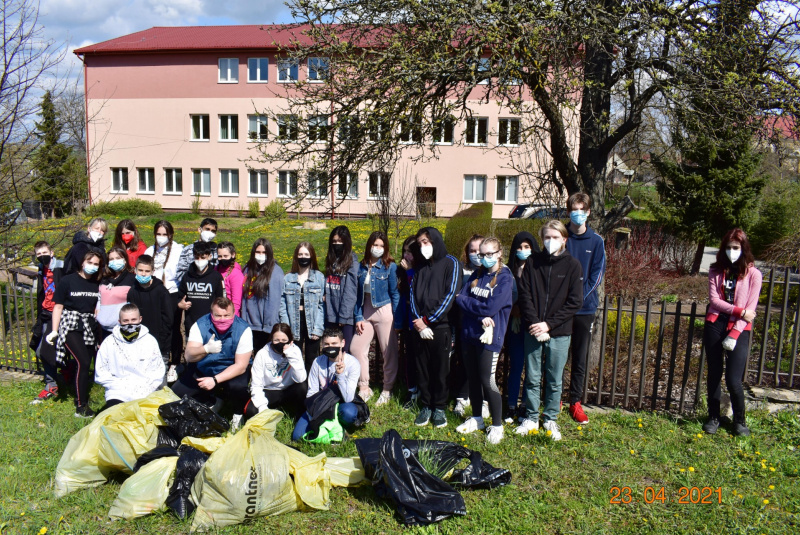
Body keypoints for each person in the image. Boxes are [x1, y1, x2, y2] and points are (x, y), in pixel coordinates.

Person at [515, 220, 582, 441]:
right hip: (533, 329)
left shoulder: (573, 266)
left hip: (559, 332)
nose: (550, 241)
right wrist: (536, 323)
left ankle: (550, 417)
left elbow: (574, 302)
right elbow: (524, 296)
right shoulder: (533, 262)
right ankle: (531, 417)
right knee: (532, 376)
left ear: (564, 239)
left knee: (554, 378)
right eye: (546, 237)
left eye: (555, 237)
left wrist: (549, 324)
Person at [455, 237, 514, 444]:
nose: (485, 258)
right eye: (482, 254)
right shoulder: (477, 274)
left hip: (489, 338)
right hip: (469, 334)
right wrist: (478, 312)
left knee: (487, 382)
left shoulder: (505, 279)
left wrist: (470, 304)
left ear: (499, 253)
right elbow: (459, 298)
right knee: (472, 379)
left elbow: (491, 307)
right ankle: (477, 418)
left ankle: (497, 425)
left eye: (490, 254)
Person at [703, 229, 761, 436]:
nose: (731, 251)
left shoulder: (754, 274)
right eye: (728, 247)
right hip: (715, 324)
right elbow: (715, 301)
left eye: (735, 248)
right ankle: (713, 417)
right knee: (714, 374)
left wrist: (735, 333)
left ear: (743, 249)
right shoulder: (716, 270)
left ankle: (740, 421)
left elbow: (750, 311)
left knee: (733, 379)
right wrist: (740, 311)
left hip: (740, 329)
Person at [172, 297, 253, 430]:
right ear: (211, 314)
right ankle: (211, 400)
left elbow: (241, 366)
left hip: (231, 370)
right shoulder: (200, 325)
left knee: (238, 387)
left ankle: (237, 413)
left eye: (227, 315)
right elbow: (189, 356)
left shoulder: (243, 329)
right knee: (177, 393)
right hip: (205, 367)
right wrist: (205, 349)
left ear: (234, 314)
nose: (222, 319)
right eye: (218, 315)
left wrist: (215, 380)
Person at [410, 227, 461, 428]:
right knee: (422, 368)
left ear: (436, 241)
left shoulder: (451, 263)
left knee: (441, 369)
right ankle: (426, 405)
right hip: (419, 327)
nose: (424, 246)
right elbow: (413, 297)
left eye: (427, 241)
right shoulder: (420, 267)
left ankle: (439, 407)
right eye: (420, 243)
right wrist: (418, 322)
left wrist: (428, 320)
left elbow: (449, 296)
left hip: (440, 327)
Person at [45, 251, 104, 417]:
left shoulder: (96, 283)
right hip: (70, 324)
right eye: (89, 262)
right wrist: (55, 330)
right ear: (82, 262)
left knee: (85, 363)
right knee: (83, 362)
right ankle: (81, 405)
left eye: (96, 264)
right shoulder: (67, 281)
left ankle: (80, 392)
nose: (92, 266)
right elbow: (58, 306)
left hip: (88, 325)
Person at [564, 192, 606, 425]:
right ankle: (555, 399)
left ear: (588, 212)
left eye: (582, 210)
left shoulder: (596, 241)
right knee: (557, 356)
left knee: (579, 358)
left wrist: (577, 299)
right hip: (560, 310)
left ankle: (575, 401)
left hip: (584, 309)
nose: (577, 214)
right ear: (568, 211)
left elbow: (596, 275)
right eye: (573, 210)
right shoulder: (560, 236)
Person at [351, 231, 400, 405]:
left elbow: (394, 293)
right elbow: (358, 296)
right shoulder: (361, 266)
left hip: (384, 310)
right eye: (375, 245)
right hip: (365, 311)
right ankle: (364, 387)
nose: (378, 248)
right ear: (369, 245)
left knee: (389, 351)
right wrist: (358, 316)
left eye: (381, 246)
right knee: (356, 348)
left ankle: (387, 389)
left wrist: (396, 318)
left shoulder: (389, 266)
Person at [291, 327, 362, 442]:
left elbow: (348, 397)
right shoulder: (318, 362)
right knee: (297, 437)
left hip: (342, 403)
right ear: (322, 345)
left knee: (349, 413)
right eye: (327, 344)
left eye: (334, 343)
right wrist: (314, 414)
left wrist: (341, 375)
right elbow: (312, 393)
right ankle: (329, 427)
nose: (330, 347)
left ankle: (341, 428)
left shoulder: (352, 363)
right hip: (321, 403)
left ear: (342, 343)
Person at [94, 304, 165, 413]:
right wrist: (117, 385)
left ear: (140, 319)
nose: (130, 324)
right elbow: (100, 371)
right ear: (119, 321)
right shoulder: (109, 342)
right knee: (117, 419)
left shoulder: (150, 341)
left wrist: (146, 387)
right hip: (117, 391)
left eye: (133, 320)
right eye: (125, 321)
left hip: (144, 390)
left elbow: (158, 370)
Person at [505, 231, 540, 422]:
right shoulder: (508, 271)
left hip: (532, 324)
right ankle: (511, 404)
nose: (523, 251)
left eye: (527, 247)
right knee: (516, 365)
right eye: (519, 247)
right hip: (514, 325)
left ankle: (526, 404)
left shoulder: (538, 269)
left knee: (532, 368)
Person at [144, 220, 184, 382]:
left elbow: (181, 273)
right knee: (156, 327)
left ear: (170, 235)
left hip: (172, 293)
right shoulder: (150, 250)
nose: (161, 237)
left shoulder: (178, 250)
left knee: (173, 328)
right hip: (154, 294)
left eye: (164, 234)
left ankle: (174, 363)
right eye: (158, 234)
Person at [243, 322, 308, 423]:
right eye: (276, 340)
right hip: (269, 390)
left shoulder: (295, 351)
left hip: (288, 390)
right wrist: (262, 407)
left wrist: (291, 355)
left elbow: (300, 378)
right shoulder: (262, 354)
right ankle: (272, 409)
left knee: (303, 387)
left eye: (284, 340)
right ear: (271, 340)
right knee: (251, 411)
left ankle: (299, 417)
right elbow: (256, 384)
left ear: (290, 341)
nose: (280, 343)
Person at [453, 234, 485, 418]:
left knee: (484, 365)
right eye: (472, 251)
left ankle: (481, 399)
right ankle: (462, 397)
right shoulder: (462, 270)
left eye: (478, 251)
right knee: (464, 363)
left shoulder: (494, 272)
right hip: (462, 324)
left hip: (484, 326)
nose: (475, 254)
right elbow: (458, 297)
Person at [280, 242, 326, 370]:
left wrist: (318, 328)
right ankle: (298, 387)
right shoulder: (288, 278)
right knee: (295, 358)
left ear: (311, 256)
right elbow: (282, 305)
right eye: (300, 254)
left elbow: (322, 306)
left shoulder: (319, 277)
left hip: (312, 322)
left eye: (306, 254)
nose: (303, 257)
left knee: (312, 359)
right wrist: (286, 328)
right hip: (294, 322)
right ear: (296, 256)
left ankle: (311, 387)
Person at [29, 241, 64, 404]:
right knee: (38, 349)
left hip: (58, 314)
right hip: (45, 313)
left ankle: (53, 383)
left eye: (44, 252)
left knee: (46, 350)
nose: (42, 256)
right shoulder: (40, 269)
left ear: (51, 252)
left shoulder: (61, 267)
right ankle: (53, 382)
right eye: (38, 254)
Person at [127, 255, 173, 369]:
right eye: (140, 270)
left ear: (153, 271)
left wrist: (161, 341)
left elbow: (168, 319)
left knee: (159, 376)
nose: (143, 274)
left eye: (147, 271)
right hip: (139, 342)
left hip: (159, 343)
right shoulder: (132, 291)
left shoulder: (161, 291)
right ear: (135, 270)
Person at [241, 238, 285, 356]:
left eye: (264, 252)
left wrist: (269, 326)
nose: (261, 255)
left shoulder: (275, 271)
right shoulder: (247, 269)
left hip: (264, 327)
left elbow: (274, 302)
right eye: (258, 252)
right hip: (249, 323)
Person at [177, 241, 225, 336]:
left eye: (203, 257)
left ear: (209, 257)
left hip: (211, 324)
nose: (199, 260)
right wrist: (180, 304)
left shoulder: (216, 277)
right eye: (196, 257)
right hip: (191, 324)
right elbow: (179, 296)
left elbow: (222, 299)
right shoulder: (187, 276)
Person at [324, 225, 359, 352]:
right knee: (331, 350)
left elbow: (350, 292)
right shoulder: (331, 260)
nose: (337, 244)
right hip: (330, 314)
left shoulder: (352, 262)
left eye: (340, 241)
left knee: (345, 351)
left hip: (345, 317)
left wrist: (343, 316)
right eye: (334, 241)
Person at [396, 235, 420, 408]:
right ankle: (411, 390)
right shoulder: (400, 271)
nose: (406, 256)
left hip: (419, 321)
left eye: (410, 252)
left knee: (420, 358)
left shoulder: (420, 270)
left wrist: (410, 271)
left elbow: (417, 293)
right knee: (409, 357)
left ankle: (421, 389)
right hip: (406, 321)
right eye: (404, 251)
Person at [95, 247, 135, 338]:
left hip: (123, 328)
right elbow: (100, 298)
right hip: (104, 328)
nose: (115, 261)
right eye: (111, 259)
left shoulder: (131, 279)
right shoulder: (104, 278)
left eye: (118, 258)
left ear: (125, 260)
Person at [175, 218, 219, 282]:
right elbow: (180, 272)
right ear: (199, 229)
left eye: (213, 231)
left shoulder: (217, 251)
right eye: (207, 229)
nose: (209, 232)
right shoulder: (188, 250)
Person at [216, 241, 244, 316]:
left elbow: (236, 301)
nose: (222, 259)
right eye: (220, 256)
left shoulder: (236, 274)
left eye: (225, 256)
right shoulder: (215, 269)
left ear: (233, 255)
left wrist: (230, 316)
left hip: (229, 315)